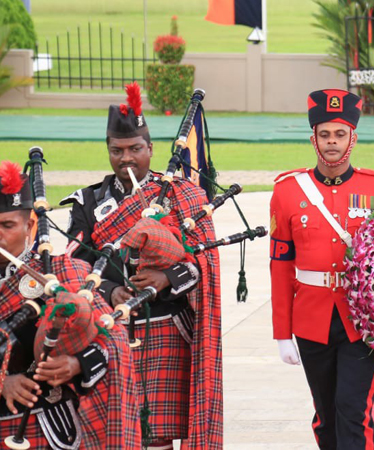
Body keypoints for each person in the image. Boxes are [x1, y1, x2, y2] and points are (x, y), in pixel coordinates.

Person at [61, 83, 223, 449]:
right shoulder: (88, 202)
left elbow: (206, 261)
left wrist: (165, 277)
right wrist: (107, 290)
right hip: (109, 331)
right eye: (117, 151)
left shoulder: (183, 194)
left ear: (150, 149)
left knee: (158, 435)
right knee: (117, 430)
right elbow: (72, 268)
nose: (126, 159)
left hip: (167, 326)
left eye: (135, 149)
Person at [270, 89, 374, 449]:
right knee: (326, 414)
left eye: (340, 134)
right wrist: (282, 331)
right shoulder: (288, 192)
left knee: (352, 410)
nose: (331, 142)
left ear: (353, 138)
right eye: (324, 134)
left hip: (363, 320)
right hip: (311, 316)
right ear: (313, 138)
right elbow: (280, 264)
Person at [0, 160, 140, 449]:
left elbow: (113, 339)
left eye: (6, 225)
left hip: (48, 427)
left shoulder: (63, 272)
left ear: (30, 225)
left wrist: (77, 363)